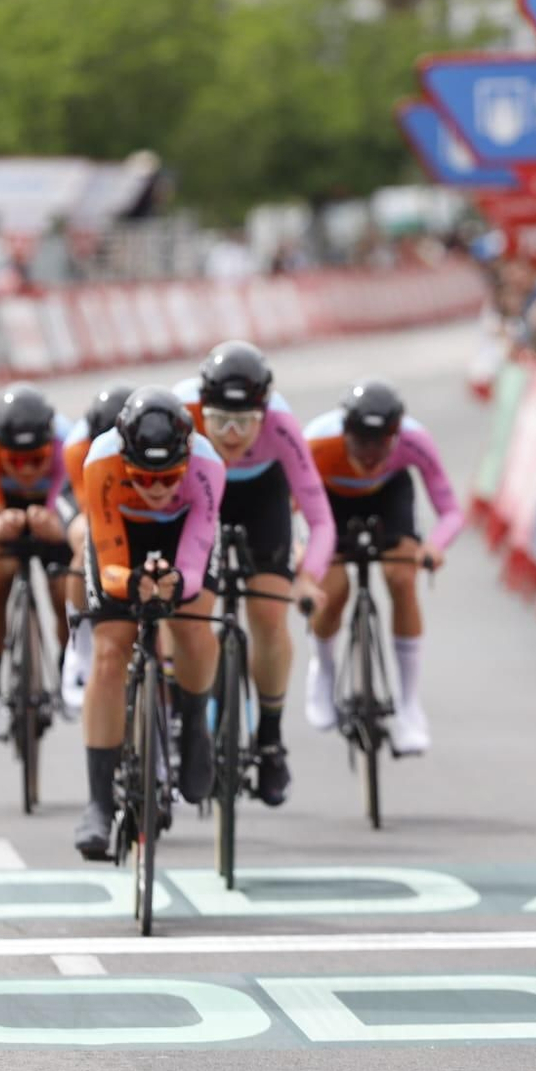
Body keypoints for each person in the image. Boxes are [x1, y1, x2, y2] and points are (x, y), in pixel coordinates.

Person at [175, 341, 335, 808]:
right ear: (200, 409)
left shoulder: (283, 428)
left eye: (244, 422)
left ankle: (269, 739)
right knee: (182, 605)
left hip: (261, 495)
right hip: (196, 490)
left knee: (268, 614)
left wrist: (308, 577)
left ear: (264, 414)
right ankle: (183, 720)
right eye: (219, 418)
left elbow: (321, 519)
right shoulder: (178, 412)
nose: (229, 434)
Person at [74, 388, 226, 859]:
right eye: (142, 478)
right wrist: (132, 580)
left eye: (168, 479)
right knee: (110, 650)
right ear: (124, 459)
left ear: (186, 461)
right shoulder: (101, 460)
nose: (157, 490)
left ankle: (195, 724)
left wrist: (175, 582)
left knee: (193, 625)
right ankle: (99, 802)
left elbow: (195, 569)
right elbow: (110, 557)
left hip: (184, 536)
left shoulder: (208, 466)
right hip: (123, 534)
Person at [303, 381, 464, 754]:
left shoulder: (415, 440)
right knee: (334, 589)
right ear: (345, 433)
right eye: (361, 444)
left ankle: (409, 706)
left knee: (402, 577)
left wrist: (433, 546)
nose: (371, 455)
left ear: (396, 435)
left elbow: (452, 512)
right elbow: (290, 503)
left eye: (382, 444)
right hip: (329, 503)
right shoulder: (316, 442)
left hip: (389, 497)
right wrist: (300, 548)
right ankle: (323, 670)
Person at [0, 384, 74, 742]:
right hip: (2, 505)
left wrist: (51, 525)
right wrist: (3, 525)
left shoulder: (68, 442)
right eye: (15, 461)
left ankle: (67, 669)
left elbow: (68, 518)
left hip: (52, 505)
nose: (26, 469)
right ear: (1, 450)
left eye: (36, 459)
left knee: (67, 586)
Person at [60, 386, 132, 710]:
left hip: (138, 492)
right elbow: (94, 513)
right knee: (87, 542)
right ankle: (80, 643)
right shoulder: (78, 447)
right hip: (95, 500)